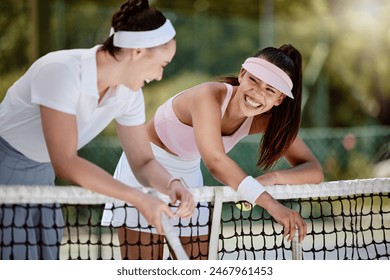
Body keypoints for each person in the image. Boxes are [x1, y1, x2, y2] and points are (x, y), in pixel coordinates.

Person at [0, 0, 195, 260]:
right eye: (162, 64)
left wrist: (172, 184)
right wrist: (138, 198)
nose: (159, 76)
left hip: (42, 173)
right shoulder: (60, 71)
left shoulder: (129, 95)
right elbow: (66, 162)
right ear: (137, 52)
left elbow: (143, 161)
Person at [102, 44, 324, 260]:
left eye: (270, 90)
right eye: (253, 80)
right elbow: (215, 161)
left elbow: (314, 171)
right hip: (143, 169)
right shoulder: (207, 95)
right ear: (242, 74)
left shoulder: (267, 121)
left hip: (188, 177)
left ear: (279, 99)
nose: (257, 93)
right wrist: (272, 205)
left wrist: (270, 179)